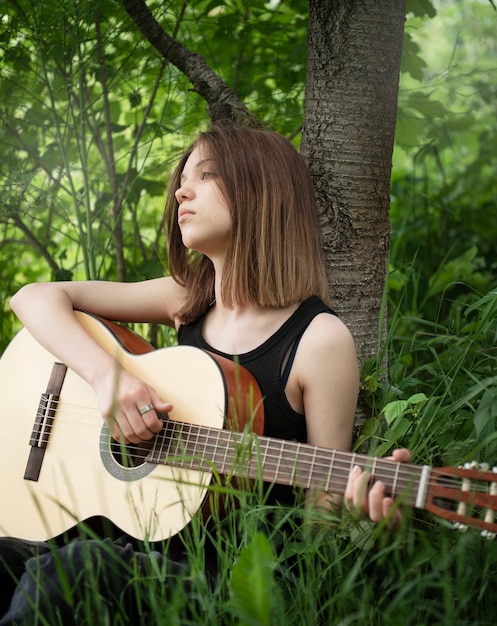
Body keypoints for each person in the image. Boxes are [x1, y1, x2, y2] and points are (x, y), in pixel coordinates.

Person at [1, 126, 410, 622]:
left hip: (221, 576)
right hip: (126, 539)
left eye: (207, 174)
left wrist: (367, 519)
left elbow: (318, 517)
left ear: (264, 193)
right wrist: (106, 378)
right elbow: (33, 298)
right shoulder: (188, 299)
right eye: (183, 178)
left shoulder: (319, 340)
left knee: (66, 573)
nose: (181, 191)